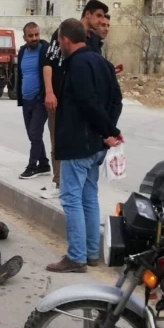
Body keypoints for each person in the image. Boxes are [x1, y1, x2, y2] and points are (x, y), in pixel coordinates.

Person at [47, 18, 123, 273]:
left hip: (78, 144)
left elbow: (87, 103)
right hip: (97, 146)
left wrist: (109, 131)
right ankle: (91, 253)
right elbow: (116, 100)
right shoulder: (103, 63)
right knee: (89, 196)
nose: (60, 45)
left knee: (71, 199)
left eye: (60, 41)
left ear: (66, 40)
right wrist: (108, 132)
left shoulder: (77, 65)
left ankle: (76, 257)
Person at [17, 22, 51, 180]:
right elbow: (21, 75)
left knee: (35, 134)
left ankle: (32, 167)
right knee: (32, 135)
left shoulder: (46, 49)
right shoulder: (22, 51)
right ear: (24, 37)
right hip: (26, 100)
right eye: (30, 36)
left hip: (40, 100)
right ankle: (44, 164)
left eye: (36, 34)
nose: (34, 38)